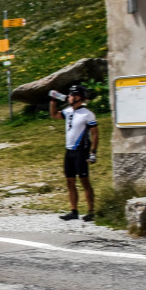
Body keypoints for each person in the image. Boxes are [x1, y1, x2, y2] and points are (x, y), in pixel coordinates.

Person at [49, 84, 99, 221]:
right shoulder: (68, 111)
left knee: (84, 181)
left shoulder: (87, 114)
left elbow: (94, 134)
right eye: (69, 95)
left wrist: (93, 152)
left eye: (71, 95)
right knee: (70, 182)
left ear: (78, 97)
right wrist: (53, 100)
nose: (69, 97)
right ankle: (74, 211)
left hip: (81, 151)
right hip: (69, 150)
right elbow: (54, 115)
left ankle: (91, 211)